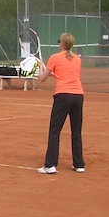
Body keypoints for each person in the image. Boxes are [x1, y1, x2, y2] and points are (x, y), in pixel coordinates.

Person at [36, 32, 85, 175]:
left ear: (62, 44)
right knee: (76, 131)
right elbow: (62, 74)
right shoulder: (77, 59)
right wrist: (47, 68)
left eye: (59, 41)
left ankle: (50, 165)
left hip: (63, 96)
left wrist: (41, 66)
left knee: (54, 130)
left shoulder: (55, 57)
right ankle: (79, 164)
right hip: (78, 96)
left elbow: (42, 78)